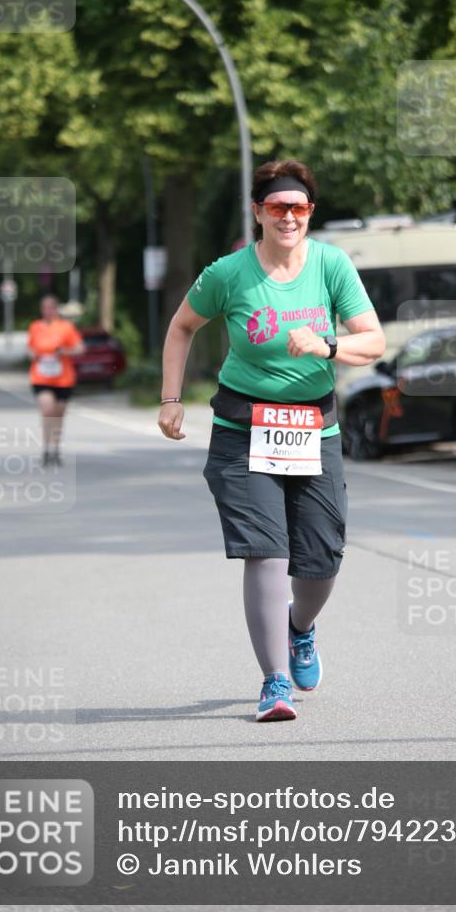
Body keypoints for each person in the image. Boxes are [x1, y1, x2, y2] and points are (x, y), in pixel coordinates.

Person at [158, 159, 386, 722]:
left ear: (310, 214)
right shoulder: (228, 274)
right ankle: (274, 682)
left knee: (321, 560)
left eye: (300, 208)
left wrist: (326, 347)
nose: (289, 217)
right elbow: (182, 326)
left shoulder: (332, 265)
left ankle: (300, 627)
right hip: (243, 428)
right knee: (266, 551)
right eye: (278, 207)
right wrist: (169, 397)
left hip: (315, 429)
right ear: (258, 212)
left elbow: (374, 342)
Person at [26, 295, 84, 467]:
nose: (48, 311)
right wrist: (33, 354)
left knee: (58, 414)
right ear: (41, 309)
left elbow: (80, 348)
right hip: (41, 376)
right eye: (45, 307)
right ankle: (46, 448)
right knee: (47, 410)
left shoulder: (66, 327)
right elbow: (29, 349)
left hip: (63, 379)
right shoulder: (35, 327)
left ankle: (55, 448)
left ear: (56, 309)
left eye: (51, 307)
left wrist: (65, 352)